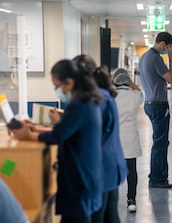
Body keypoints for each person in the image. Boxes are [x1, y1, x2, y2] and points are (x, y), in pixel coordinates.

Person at [10, 59, 105, 223]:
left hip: (79, 179)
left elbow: (57, 135)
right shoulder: (89, 101)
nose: (57, 91)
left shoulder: (79, 105)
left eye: (57, 86)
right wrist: (35, 129)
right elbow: (66, 129)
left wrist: (28, 136)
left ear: (69, 82)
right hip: (88, 176)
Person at [73, 54, 127, 223]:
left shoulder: (97, 99)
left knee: (99, 216)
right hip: (111, 165)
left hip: (102, 167)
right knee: (110, 216)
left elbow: (91, 134)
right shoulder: (103, 94)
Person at [139, 31, 172, 188]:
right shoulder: (156, 58)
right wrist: (170, 57)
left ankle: (161, 177)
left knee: (160, 141)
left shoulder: (145, 57)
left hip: (149, 103)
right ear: (162, 44)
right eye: (168, 47)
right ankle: (156, 179)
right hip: (158, 105)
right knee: (160, 143)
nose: (168, 50)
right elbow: (171, 79)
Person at [112, 68, 143, 212]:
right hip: (130, 139)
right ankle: (131, 200)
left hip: (113, 140)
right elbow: (140, 94)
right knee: (132, 171)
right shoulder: (135, 96)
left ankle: (111, 200)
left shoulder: (110, 97)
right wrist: (133, 85)